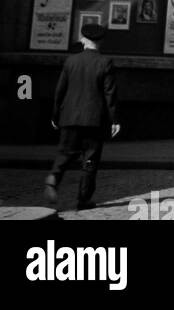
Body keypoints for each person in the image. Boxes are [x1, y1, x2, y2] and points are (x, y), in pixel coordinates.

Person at [45, 21, 120, 212]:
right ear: (100, 42)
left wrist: (55, 115)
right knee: (90, 161)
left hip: (69, 117)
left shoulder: (71, 61)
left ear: (84, 40)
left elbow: (59, 91)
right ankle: (83, 199)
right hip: (94, 120)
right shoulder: (105, 63)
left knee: (64, 152)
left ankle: (54, 176)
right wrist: (115, 120)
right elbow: (110, 94)